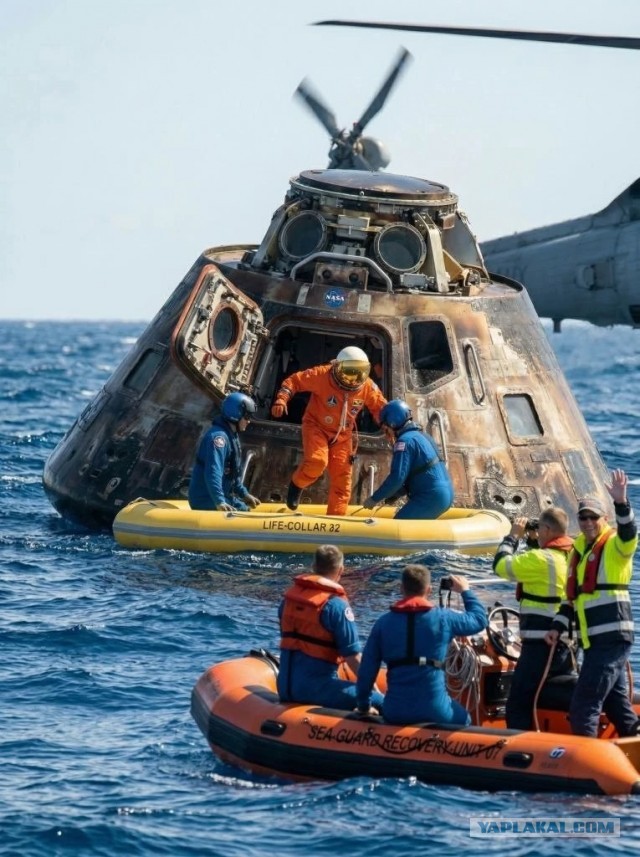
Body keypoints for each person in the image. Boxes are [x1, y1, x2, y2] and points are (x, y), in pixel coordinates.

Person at [545, 469, 639, 737]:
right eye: (583, 517)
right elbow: (572, 599)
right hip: (593, 640)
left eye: (593, 517)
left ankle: (583, 758)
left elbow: (629, 532)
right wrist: (557, 627)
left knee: (583, 705)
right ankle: (633, 743)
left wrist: (621, 502)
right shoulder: (579, 551)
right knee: (616, 703)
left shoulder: (615, 546)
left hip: (611, 638)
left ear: (604, 519)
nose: (587, 522)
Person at [356, 565, 487, 724]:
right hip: (437, 710)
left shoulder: (383, 624)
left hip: (396, 711)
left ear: (401, 588)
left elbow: (366, 671)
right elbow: (479, 620)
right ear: (429, 590)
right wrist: (465, 591)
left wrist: (364, 706)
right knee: (465, 719)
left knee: (381, 701)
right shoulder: (444, 619)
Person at [270, 346, 387, 515]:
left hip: (343, 436)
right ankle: (297, 484)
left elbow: (380, 408)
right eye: (348, 372)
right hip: (317, 427)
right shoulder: (322, 375)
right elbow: (294, 381)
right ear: (337, 367)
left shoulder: (367, 386)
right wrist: (282, 400)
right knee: (317, 462)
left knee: (343, 483)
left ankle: (336, 520)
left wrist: (389, 426)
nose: (353, 379)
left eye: (358, 373)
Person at [492, 508, 575, 729]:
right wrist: (532, 540)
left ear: (546, 529)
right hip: (565, 642)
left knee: (518, 701)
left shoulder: (541, 559)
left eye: (539, 529)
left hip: (540, 644)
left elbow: (500, 566)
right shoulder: (569, 555)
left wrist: (513, 537)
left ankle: (521, 745)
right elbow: (542, 569)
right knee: (547, 692)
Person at [277, 544, 384, 710]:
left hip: (284, 687)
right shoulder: (335, 606)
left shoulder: (288, 601)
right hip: (316, 688)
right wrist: (373, 690)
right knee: (383, 702)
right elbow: (352, 657)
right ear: (341, 570)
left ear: (313, 566)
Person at [362, 399, 454, 519]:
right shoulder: (423, 436)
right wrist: (396, 494)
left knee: (397, 526)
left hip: (431, 496)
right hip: (446, 493)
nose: (386, 432)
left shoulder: (404, 442)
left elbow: (397, 477)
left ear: (392, 423)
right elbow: (419, 473)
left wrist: (374, 499)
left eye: (386, 428)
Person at [188, 392, 261, 511]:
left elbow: (233, 473)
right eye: (247, 417)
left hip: (221, 496)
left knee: (246, 510)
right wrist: (219, 501)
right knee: (241, 515)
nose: (249, 421)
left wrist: (244, 494)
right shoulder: (219, 439)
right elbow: (213, 471)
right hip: (205, 499)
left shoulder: (231, 435)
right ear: (235, 415)